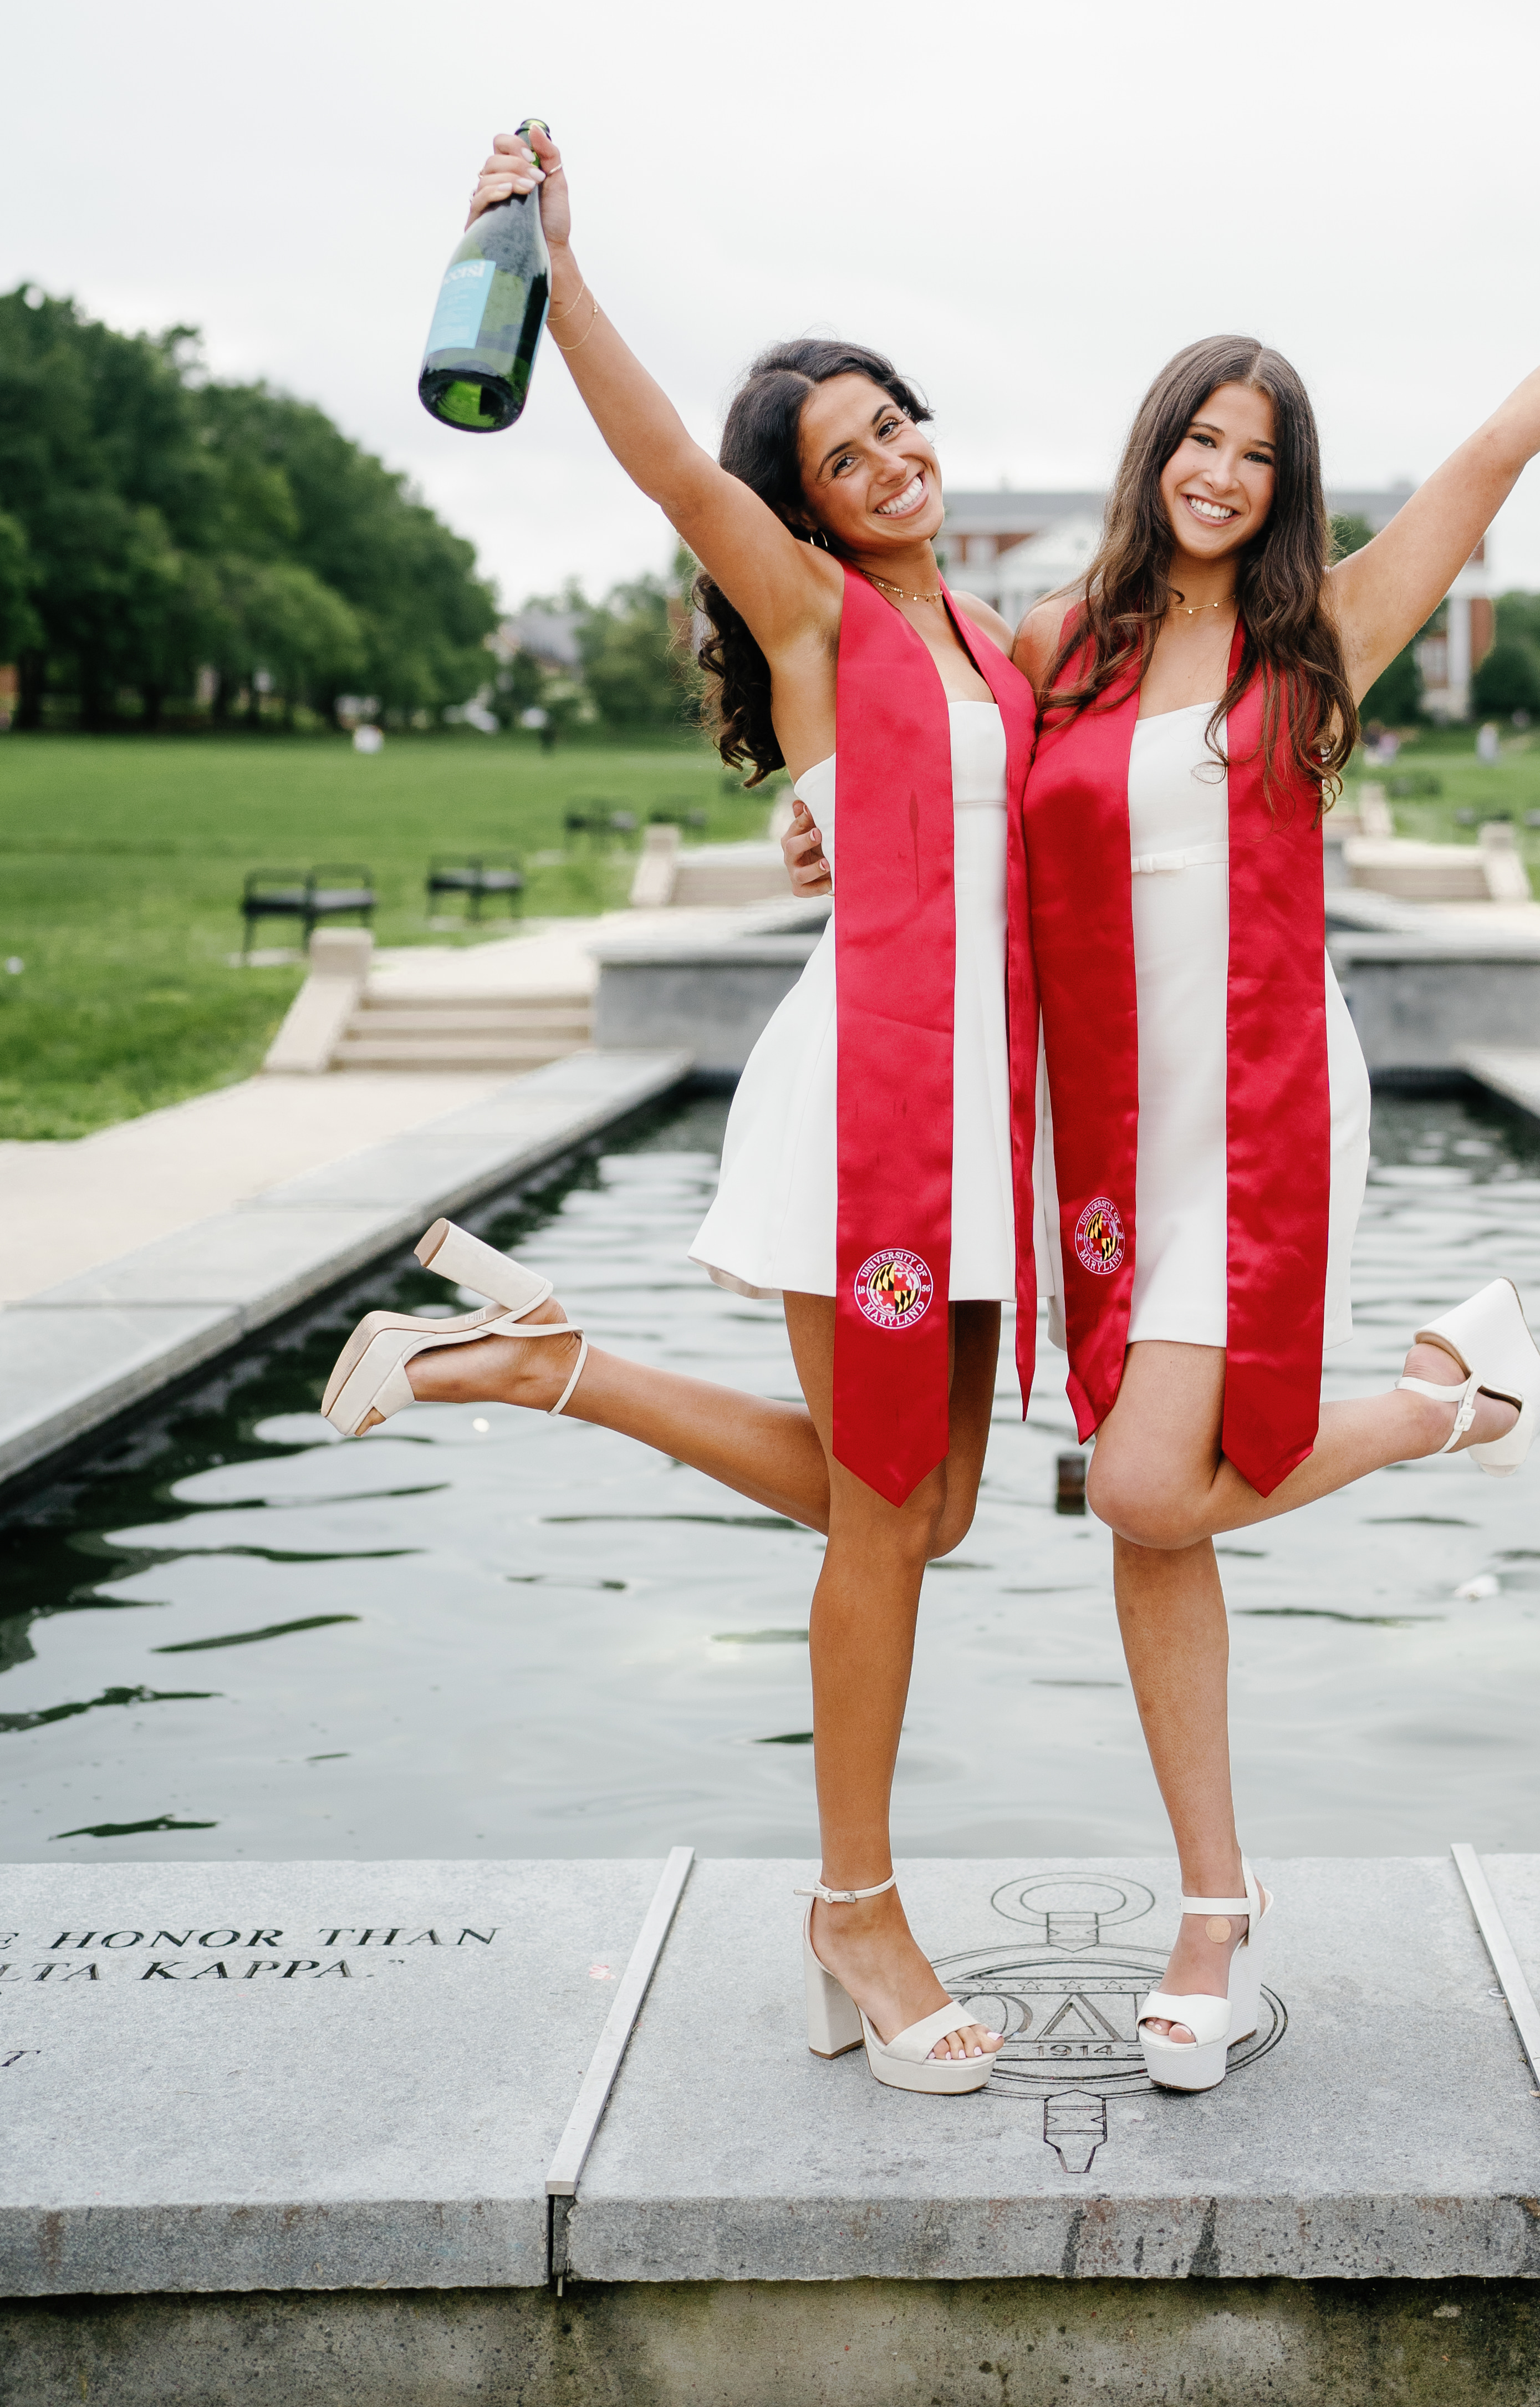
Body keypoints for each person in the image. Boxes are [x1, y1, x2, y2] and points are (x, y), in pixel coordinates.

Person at [1008, 169, 1540, 2092]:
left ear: (1289, 486)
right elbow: (946, 789)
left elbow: (1497, 452)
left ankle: (1457, 1401)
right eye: (1197, 438)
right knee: (1152, 1519)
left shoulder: (1326, 643)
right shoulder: (1059, 644)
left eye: (1256, 454)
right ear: (1153, 453)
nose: (1219, 474)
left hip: (1270, 1103)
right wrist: (823, 821)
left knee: (1135, 1488)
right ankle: (1214, 1909)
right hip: (1113, 1131)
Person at [320, 123, 1037, 2097]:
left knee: (936, 1508)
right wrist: (555, 264)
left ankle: (550, 1362)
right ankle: (857, 1912)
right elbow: (653, 459)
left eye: (899, 426)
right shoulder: (821, 617)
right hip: (876, 1111)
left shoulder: (989, 631)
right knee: (883, 1526)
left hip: (980, 1127)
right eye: (843, 457)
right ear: (796, 507)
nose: (889, 461)